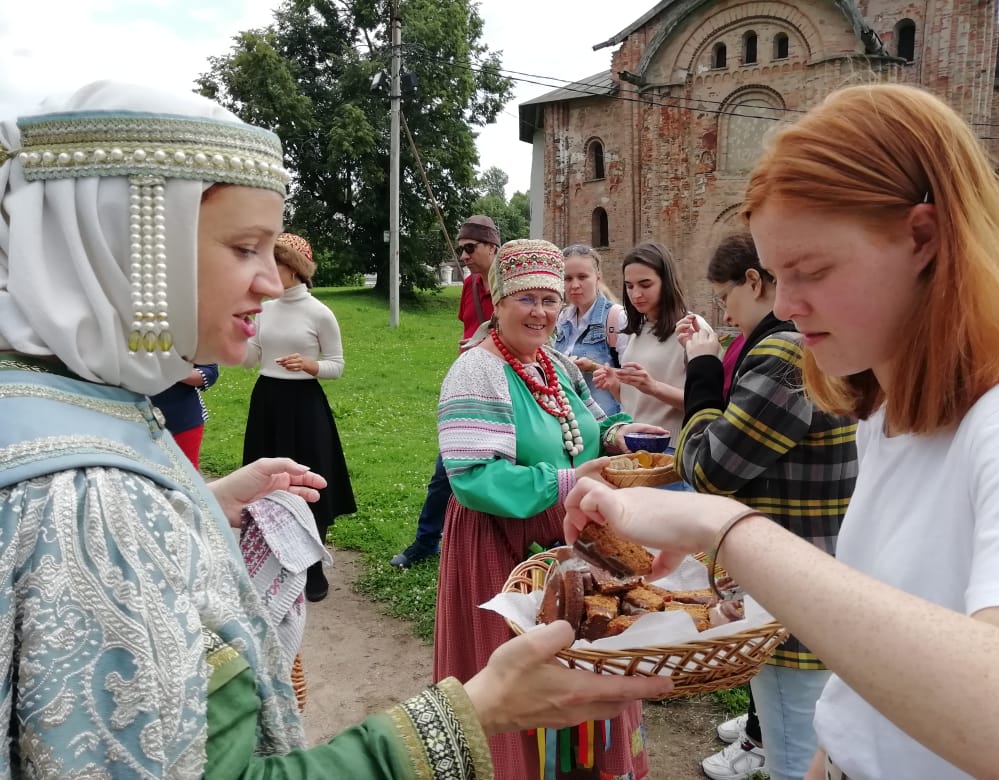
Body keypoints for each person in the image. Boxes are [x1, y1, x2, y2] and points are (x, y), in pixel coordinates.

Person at [0, 80, 671, 778]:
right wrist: (468, 717)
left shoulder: (92, 420)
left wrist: (200, 505)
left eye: (552, 301)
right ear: (124, 245)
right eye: (244, 248)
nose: (271, 281)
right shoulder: (85, 499)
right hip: (503, 549)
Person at [563, 82, 999, 780]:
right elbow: (866, 687)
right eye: (777, 275)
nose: (785, 303)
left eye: (811, 270)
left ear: (924, 237)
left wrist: (725, 526)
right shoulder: (888, 410)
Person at [435, 238, 671, 778]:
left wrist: (621, 433)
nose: (541, 312)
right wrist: (567, 481)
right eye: (526, 299)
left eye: (550, 298)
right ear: (497, 302)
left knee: (583, 657)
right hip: (504, 548)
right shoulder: (477, 372)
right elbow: (473, 477)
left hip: (572, 535)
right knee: (522, 674)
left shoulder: (555, 362)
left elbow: (589, 423)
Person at [673, 232, 857, 780]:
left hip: (791, 597)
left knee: (795, 759)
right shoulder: (804, 345)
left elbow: (709, 469)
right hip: (814, 574)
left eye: (724, 297)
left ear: (754, 281)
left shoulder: (783, 353)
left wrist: (702, 367)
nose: (723, 313)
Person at [242, 232, 356, 602]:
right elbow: (250, 358)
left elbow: (337, 366)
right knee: (266, 482)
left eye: (278, 263)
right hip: (268, 403)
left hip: (305, 406)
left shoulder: (319, 313)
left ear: (296, 269)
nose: (271, 270)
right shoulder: (264, 309)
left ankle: (312, 567)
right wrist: (238, 332)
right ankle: (273, 559)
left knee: (308, 482)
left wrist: (309, 365)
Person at [390, 215, 499, 569]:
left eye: (470, 248)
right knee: (446, 471)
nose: (463, 256)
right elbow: (468, 327)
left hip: (506, 390)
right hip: (470, 387)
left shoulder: (512, 284)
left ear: (492, 247)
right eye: (461, 249)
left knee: (502, 474)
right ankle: (426, 541)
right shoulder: (469, 287)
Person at [593, 240, 696, 490]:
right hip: (631, 452)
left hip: (669, 454)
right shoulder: (637, 330)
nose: (635, 294)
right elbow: (637, 402)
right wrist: (615, 386)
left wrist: (653, 386)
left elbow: (707, 404)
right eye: (629, 286)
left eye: (645, 284)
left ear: (667, 281)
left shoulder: (691, 328)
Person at [553, 243, 629, 415]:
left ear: (597, 277)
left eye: (582, 277)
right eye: (567, 278)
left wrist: (593, 367)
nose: (575, 285)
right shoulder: (562, 318)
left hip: (605, 423)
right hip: (569, 422)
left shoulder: (616, 318)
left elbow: (633, 380)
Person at [149, 363, 219, 468]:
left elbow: (209, 372)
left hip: (182, 421)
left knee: (185, 475)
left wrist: (173, 371)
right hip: (126, 418)